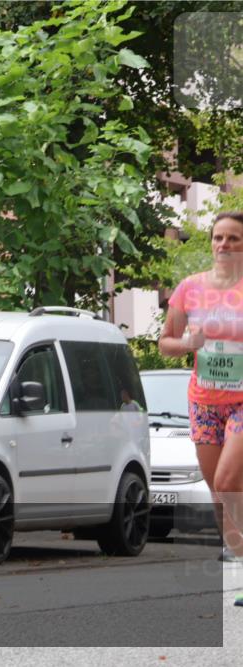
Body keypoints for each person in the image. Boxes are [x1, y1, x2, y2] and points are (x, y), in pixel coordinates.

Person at [159, 211, 243, 608]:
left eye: (234, 239)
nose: (224, 245)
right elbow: (166, 342)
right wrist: (189, 343)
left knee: (228, 479)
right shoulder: (190, 289)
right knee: (220, 491)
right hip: (204, 401)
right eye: (218, 237)